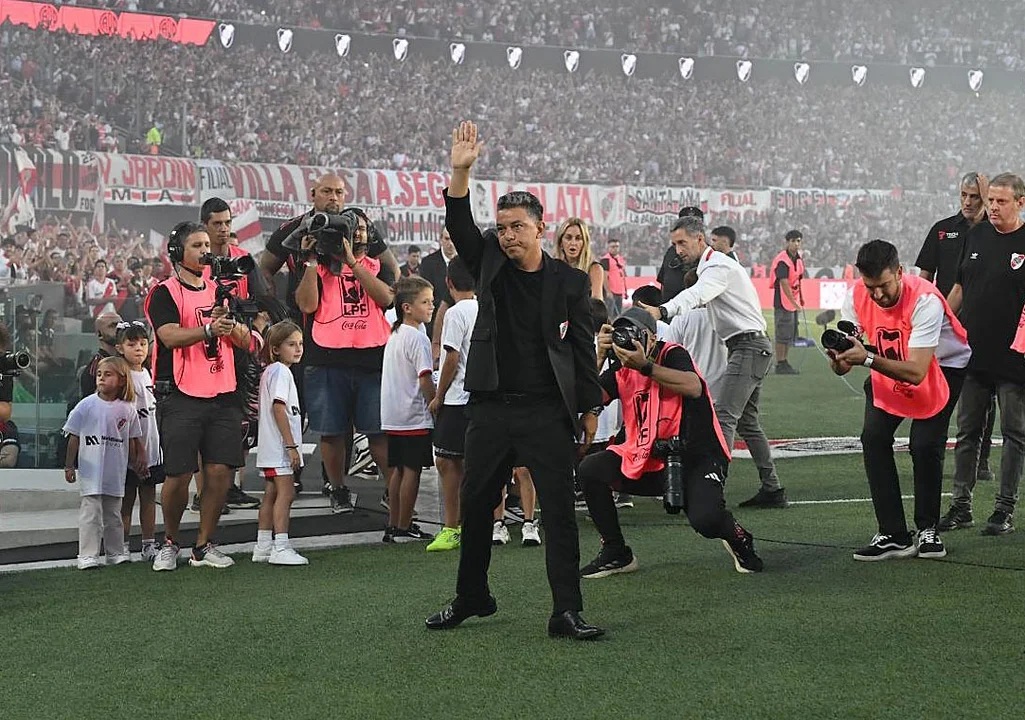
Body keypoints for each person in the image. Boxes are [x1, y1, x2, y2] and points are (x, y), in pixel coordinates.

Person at [425, 121, 605, 640]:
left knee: (559, 515)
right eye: (501, 227)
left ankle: (565, 611)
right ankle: (472, 596)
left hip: (546, 411)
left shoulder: (569, 283)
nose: (506, 235)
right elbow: (460, 223)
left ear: (539, 229)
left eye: (516, 227)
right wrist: (460, 172)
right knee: (477, 508)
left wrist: (589, 407)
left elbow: (581, 351)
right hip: (489, 409)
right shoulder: (489, 265)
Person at [578, 307, 763, 578]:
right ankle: (616, 551)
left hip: (697, 457)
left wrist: (646, 366)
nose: (628, 341)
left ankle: (738, 537)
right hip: (647, 457)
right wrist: (599, 356)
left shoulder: (672, 353)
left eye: (635, 335)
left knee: (707, 520)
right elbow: (587, 397)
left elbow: (693, 387)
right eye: (621, 334)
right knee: (590, 469)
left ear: (651, 338)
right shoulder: (621, 368)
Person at [829, 240, 970, 560]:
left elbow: (918, 372)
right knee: (874, 437)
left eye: (883, 286)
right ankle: (893, 533)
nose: (877, 295)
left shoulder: (924, 300)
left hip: (942, 366)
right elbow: (851, 358)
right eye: (870, 286)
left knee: (924, 443)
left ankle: (928, 528)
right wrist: (840, 362)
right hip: (893, 358)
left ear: (900, 273)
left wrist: (865, 360)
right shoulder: (855, 296)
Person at [638, 215, 788, 509]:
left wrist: (662, 311)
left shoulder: (716, 265)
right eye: (674, 244)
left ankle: (712, 492)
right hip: (748, 346)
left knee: (724, 419)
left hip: (748, 346)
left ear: (699, 239)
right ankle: (772, 488)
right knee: (747, 422)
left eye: (681, 243)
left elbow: (697, 294)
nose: (677, 250)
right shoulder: (713, 265)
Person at [145, 221, 255, 571]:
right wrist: (208, 327)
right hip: (180, 391)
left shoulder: (219, 290)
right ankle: (170, 541)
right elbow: (169, 336)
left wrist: (230, 325)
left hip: (222, 390)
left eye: (208, 244)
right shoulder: (163, 292)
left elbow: (246, 341)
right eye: (197, 245)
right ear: (178, 252)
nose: (206, 251)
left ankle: (204, 544)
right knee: (178, 474)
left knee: (220, 471)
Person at [940, 173, 1025, 536]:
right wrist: (938, 322)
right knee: (967, 432)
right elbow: (959, 287)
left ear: (1020, 202)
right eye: (991, 200)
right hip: (972, 354)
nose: (992, 206)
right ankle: (961, 506)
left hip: (1013, 359)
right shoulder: (975, 236)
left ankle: (1004, 509)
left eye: (1001, 201)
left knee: (1014, 434)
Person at [296, 206, 395, 514]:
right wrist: (311, 262)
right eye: (351, 228)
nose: (358, 233)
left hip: (372, 357)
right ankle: (337, 488)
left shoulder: (380, 265)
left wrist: (353, 262)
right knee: (332, 430)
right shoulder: (319, 267)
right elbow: (307, 304)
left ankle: (394, 490)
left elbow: (386, 298)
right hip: (327, 357)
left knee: (378, 431)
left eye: (362, 228)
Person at [917, 172, 998, 483]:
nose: (967, 201)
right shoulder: (942, 230)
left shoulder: (997, 234)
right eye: (963, 195)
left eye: (974, 196)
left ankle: (981, 459)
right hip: (943, 324)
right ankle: (930, 449)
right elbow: (924, 278)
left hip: (981, 323)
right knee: (935, 388)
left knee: (981, 393)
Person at [198, 197, 265, 511]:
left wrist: (256, 331)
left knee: (241, 422)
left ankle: (232, 486)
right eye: (217, 224)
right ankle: (204, 492)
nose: (224, 229)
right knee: (205, 423)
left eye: (227, 223)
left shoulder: (245, 260)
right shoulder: (195, 261)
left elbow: (264, 302)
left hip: (240, 350)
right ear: (205, 226)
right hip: (204, 350)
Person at [63, 357, 145, 570]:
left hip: (115, 472)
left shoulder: (127, 409)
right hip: (91, 471)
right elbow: (74, 436)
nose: (101, 378)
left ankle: (115, 552)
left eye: (108, 374)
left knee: (114, 514)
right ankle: (87, 555)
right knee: (90, 512)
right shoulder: (86, 405)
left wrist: (138, 462)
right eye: (99, 374)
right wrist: (69, 465)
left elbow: (134, 439)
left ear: (121, 380)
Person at [380, 276, 437, 543]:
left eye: (432, 301)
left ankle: (393, 525)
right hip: (413, 415)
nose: (431, 307)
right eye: (425, 302)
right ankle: (404, 526)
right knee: (411, 470)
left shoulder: (396, 333)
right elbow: (425, 378)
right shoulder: (417, 338)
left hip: (393, 415)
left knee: (398, 471)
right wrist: (435, 404)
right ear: (407, 307)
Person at [426, 257, 477, 552]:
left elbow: (452, 357)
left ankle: (451, 528)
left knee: (447, 462)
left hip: (457, 398)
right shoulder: (484, 308)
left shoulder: (456, 313)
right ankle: (484, 525)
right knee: (476, 465)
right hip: (479, 397)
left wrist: (439, 396)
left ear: (448, 283)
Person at [252, 320, 309, 566]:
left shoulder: (272, 372)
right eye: (291, 344)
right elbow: (279, 408)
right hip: (279, 448)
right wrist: (291, 445)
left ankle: (263, 546)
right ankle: (281, 546)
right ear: (275, 348)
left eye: (300, 344)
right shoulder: (281, 372)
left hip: (271, 447)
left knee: (271, 494)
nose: (298, 349)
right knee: (286, 494)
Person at [115, 320, 165, 562]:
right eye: (131, 344)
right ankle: (122, 546)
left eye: (143, 343)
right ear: (119, 348)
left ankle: (148, 544)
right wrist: (137, 452)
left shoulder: (147, 373)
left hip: (153, 448)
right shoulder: (122, 378)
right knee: (127, 500)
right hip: (130, 452)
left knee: (149, 497)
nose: (139, 349)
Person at [771, 230, 806, 375]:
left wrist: (801, 298)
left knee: (790, 334)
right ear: (787, 242)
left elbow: (798, 280)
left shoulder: (798, 259)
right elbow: (784, 282)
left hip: (793, 300)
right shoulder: (782, 260)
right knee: (782, 333)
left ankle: (784, 361)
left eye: (798, 241)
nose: (796, 244)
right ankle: (780, 362)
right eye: (793, 241)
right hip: (783, 301)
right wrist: (793, 301)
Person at [421, 228, 458, 354]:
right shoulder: (428, 263)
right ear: (441, 239)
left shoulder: (466, 262)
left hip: (460, 323)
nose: (451, 243)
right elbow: (425, 296)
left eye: (453, 239)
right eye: (447, 239)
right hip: (435, 323)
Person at [657, 206, 704, 303]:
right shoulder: (671, 251)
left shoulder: (710, 255)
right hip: (670, 311)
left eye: (692, 225)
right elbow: (663, 282)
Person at [556, 218, 605, 301]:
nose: (573, 243)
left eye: (578, 238)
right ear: (561, 243)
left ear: (584, 243)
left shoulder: (594, 269)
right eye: (568, 238)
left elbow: (597, 306)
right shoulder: (554, 268)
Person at [600, 239, 627, 317]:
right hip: (611, 292)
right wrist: (608, 291)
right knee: (609, 314)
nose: (615, 248)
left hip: (619, 291)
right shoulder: (605, 260)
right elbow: (604, 276)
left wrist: (625, 290)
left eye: (617, 246)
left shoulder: (620, 258)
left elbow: (622, 275)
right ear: (608, 248)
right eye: (613, 247)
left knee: (618, 314)